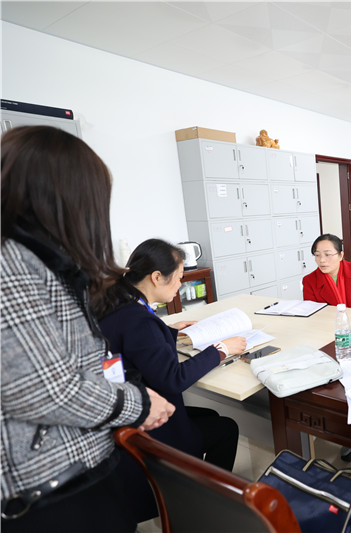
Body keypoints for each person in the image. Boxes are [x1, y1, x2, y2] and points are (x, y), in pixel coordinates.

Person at [1, 126, 175, 532]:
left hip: (75, 465)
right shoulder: (12, 266)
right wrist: (139, 403)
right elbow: (46, 390)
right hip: (49, 487)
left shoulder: (39, 262)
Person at [95, 239, 244, 474]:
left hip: (126, 414)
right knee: (227, 427)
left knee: (210, 415)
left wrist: (168, 331)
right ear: (156, 277)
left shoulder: (118, 300)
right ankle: (207, 491)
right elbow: (174, 379)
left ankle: (195, 475)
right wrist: (220, 349)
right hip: (151, 426)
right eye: (178, 277)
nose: (180, 284)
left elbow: (133, 341)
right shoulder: (139, 321)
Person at [302, 234, 351, 311]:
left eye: (327, 254)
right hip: (327, 319)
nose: (321, 260)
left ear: (341, 255)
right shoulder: (309, 280)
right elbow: (312, 312)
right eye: (317, 255)